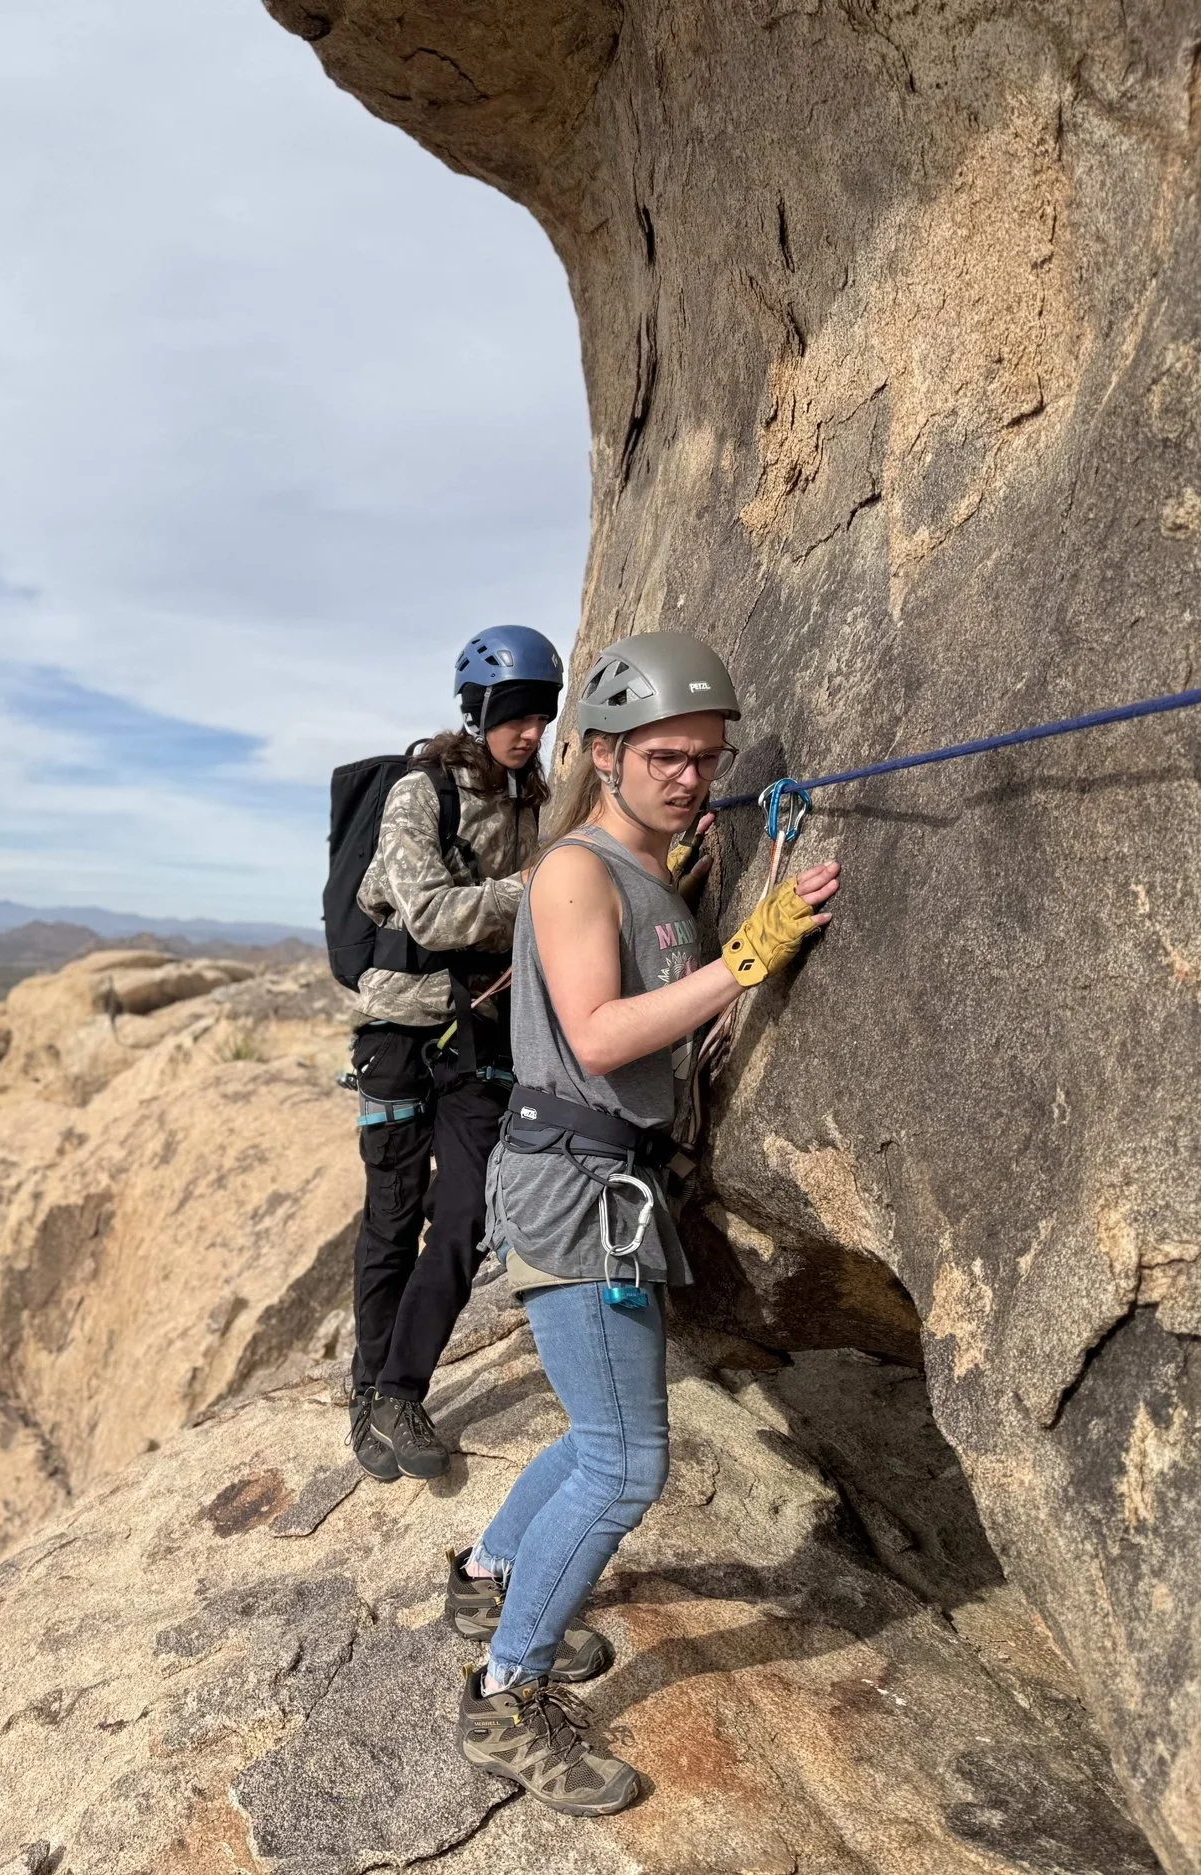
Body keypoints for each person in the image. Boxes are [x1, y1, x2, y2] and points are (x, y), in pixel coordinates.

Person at [447, 632, 841, 1815]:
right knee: (626, 1462)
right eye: (664, 755)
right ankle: (502, 1697)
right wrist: (749, 954)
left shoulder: (652, 869)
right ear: (603, 755)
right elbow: (603, 1035)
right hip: (573, 1187)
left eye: (704, 759)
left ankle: (487, 1577)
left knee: (599, 1424)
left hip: (603, 1180)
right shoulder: (576, 871)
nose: (687, 776)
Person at [347, 625, 560, 1483]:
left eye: (541, 717)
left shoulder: (531, 801)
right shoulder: (417, 794)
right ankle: (367, 1393)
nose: (529, 731)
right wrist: (538, 891)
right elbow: (431, 916)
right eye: (514, 714)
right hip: (399, 1035)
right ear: (475, 711)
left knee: (467, 1212)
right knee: (395, 1217)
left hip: (478, 1033)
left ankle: (403, 1387)